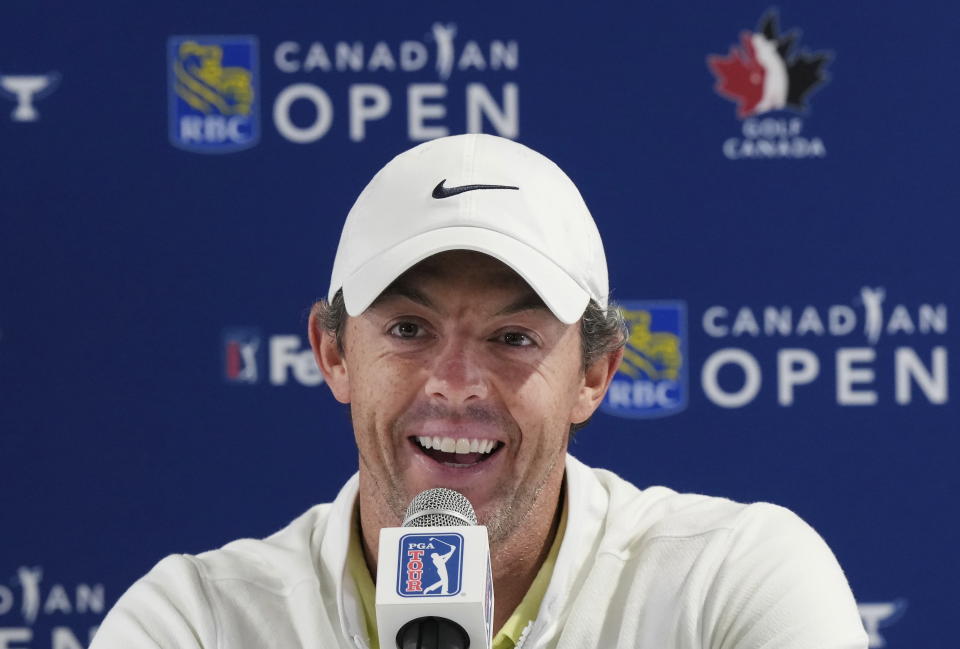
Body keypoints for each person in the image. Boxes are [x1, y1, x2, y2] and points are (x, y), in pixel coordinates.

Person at [90, 134, 868, 649]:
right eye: (408, 329)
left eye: (514, 337)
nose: (455, 385)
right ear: (333, 354)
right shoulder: (194, 621)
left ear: (593, 375)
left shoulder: (733, 583)